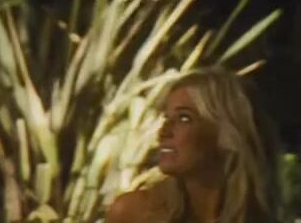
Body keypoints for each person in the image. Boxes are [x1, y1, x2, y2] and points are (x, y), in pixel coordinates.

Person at [106, 66, 281, 223]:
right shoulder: (133, 214)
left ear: (227, 132)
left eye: (184, 118)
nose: (163, 132)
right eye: (166, 118)